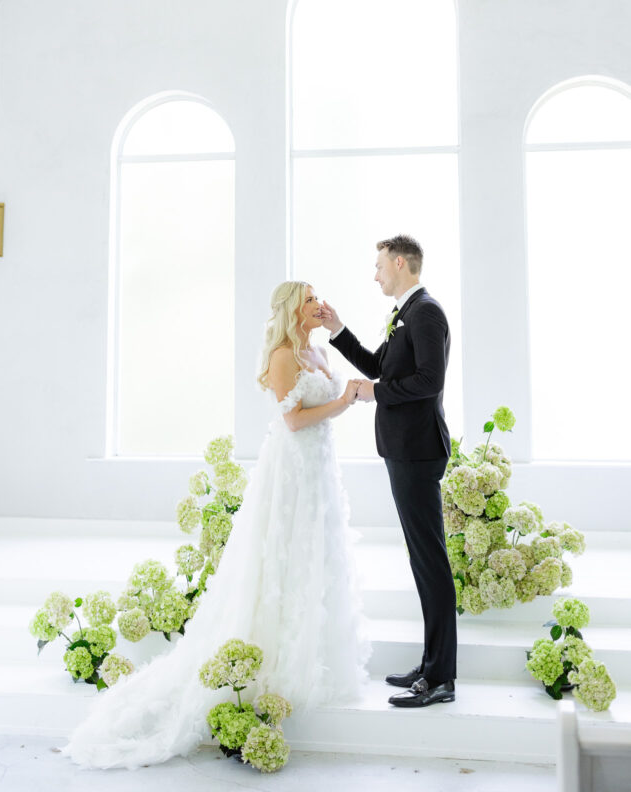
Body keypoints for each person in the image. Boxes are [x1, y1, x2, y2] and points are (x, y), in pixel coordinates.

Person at [59, 280, 371, 770]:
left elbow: (321, 409)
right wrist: (346, 401)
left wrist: (348, 385)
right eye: (310, 298)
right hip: (290, 470)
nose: (319, 302)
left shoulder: (318, 352)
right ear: (293, 307)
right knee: (282, 555)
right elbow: (293, 421)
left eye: (318, 296)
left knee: (318, 554)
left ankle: (314, 658)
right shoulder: (283, 356)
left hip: (319, 471)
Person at [321, 233, 457, 708]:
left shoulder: (426, 312)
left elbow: (428, 381)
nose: (374, 273)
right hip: (405, 449)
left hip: (418, 450)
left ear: (400, 263)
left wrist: (372, 393)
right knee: (423, 561)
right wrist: (338, 330)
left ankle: (441, 679)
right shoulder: (407, 312)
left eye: (379, 264)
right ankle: (432, 664)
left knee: (431, 562)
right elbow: (380, 364)